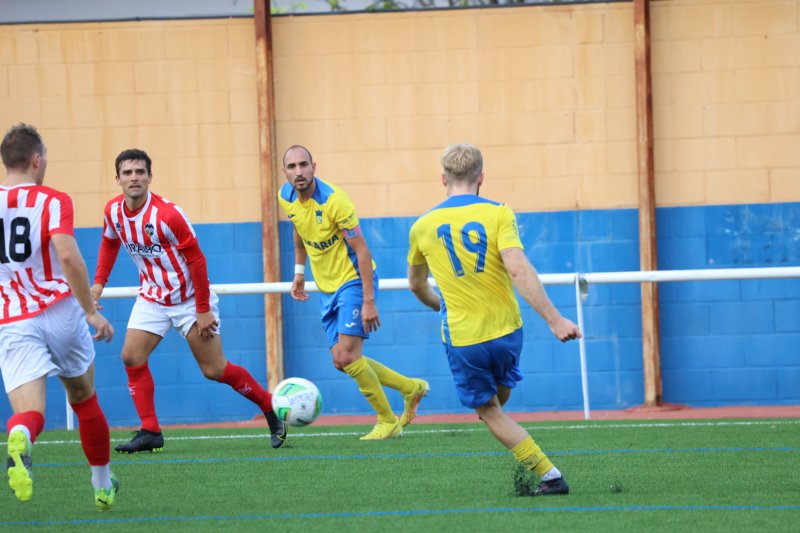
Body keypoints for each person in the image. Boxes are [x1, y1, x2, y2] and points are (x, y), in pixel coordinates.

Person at [407, 143, 582, 496]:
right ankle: (520, 443)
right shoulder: (500, 213)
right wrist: (555, 319)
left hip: (464, 338)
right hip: (508, 332)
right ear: (481, 178)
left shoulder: (422, 226)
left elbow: (416, 284)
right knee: (497, 403)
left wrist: (437, 303)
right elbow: (518, 268)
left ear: (443, 178)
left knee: (488, 411)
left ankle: (549, 475)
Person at [91, 148, 286, 453]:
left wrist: (203, 309)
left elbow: (196, 260)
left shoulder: (167, 214)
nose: (134, 178)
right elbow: (109, 243)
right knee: (131, 356)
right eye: (127, 173)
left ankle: (270, 408)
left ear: (150, 177)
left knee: (215, 370)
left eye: (140, 172)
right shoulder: (113, 212)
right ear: (117, 179)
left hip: (190, 299)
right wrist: (99, 283)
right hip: (153, 297)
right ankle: (150, 431)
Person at [0, 123, 119, 510]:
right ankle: (102, 485)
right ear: (37, 160)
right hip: (59, 310)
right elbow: (67, 255)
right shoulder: (53, 201)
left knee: (29, 413)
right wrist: (90, 311)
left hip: (13, 318)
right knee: (84, 399)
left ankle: (20, 438)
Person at [279, 145, 428, 440]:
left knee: (348, 356)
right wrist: (299, 274)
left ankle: (388, 421)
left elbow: (362, 251)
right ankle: (411, 388)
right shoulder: (285, 196)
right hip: (327, 287)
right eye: (292, 167)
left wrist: (369, 301)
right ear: (285, 172)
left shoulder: (335, 202)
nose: (298, 172)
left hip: (354, 281)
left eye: (303, 165)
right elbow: (298, 232)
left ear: (314, 166)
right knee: (340, 359)